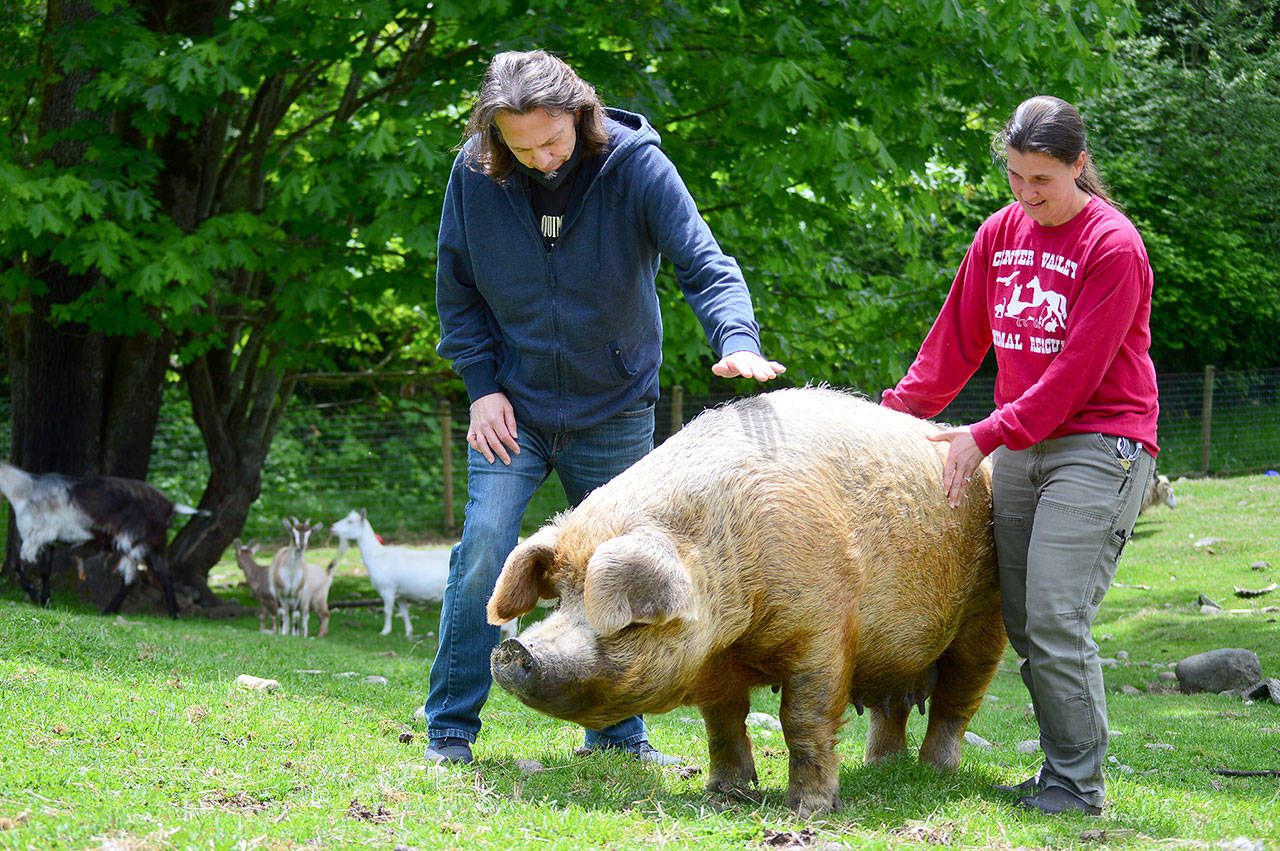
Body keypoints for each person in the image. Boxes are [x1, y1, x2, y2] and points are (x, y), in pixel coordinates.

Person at [426, 50, 786, 767]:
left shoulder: (638, 169)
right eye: (520, 147)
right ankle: (451, 728)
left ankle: (618, 735)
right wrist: (481, 386)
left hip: (615, 406)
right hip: (512, 410)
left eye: (552, 141)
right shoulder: (475, 173)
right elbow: (457, 290)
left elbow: (703, 262)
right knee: (483, 551)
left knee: (617, 572)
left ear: (581, 115)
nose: (540, 159)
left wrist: (737, 337)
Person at [881, 95, 1159, 816]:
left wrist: (981, 435)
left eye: (1043, 180)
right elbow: (953, 347)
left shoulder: (1114, 246)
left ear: (1079, 166)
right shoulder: (1000, 233)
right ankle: (1059, 772)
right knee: (1027, 619)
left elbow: (1076, 378)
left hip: (1101, 442)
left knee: (1058, 613)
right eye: (1015, 177)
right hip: (1022, 442)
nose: (1027, 195)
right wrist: (880, 423)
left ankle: (1077, 786)